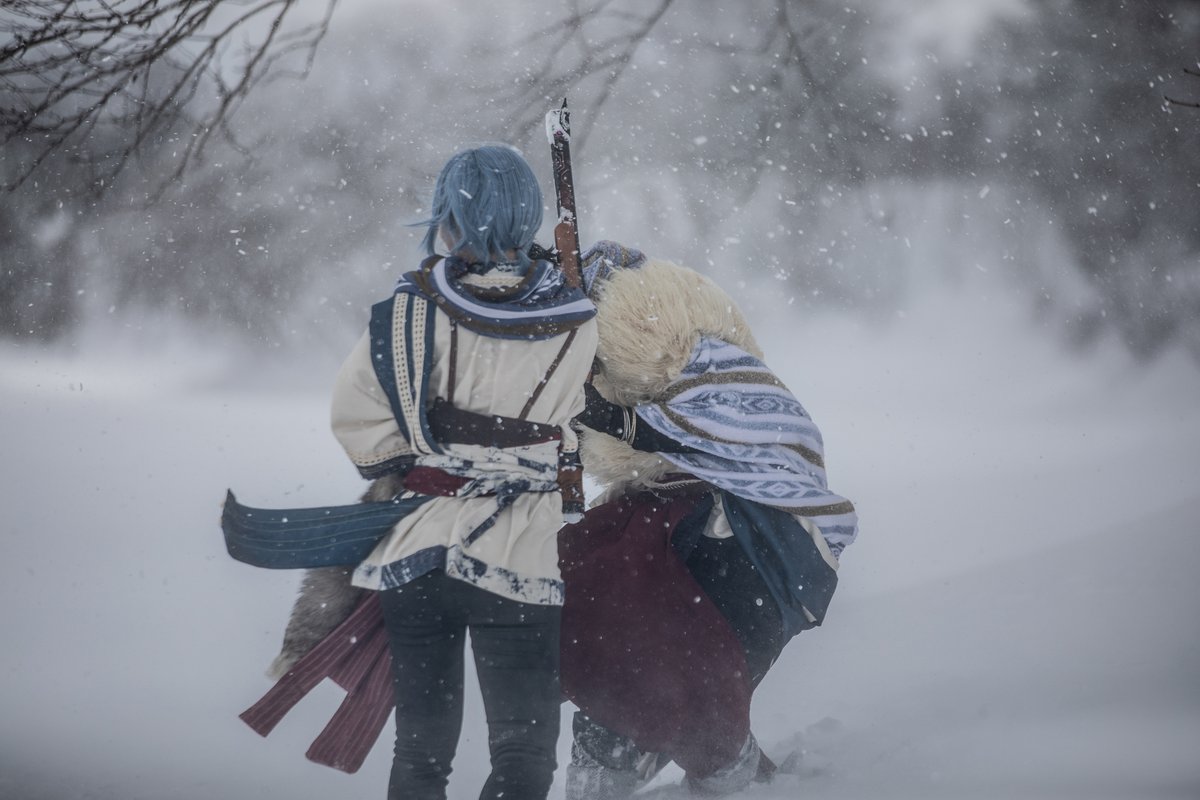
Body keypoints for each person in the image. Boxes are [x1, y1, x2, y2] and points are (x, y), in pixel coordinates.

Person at [223, 145, 598, 800]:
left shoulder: (407, 312)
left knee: (423, 751)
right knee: (524, 751)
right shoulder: (580, 320)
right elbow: (590, 423)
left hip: (417, 556)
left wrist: (419, 464)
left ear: (451, 216)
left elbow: (358, 419)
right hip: (523, 559)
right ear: (526, 214)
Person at [556, 242, 858, 798]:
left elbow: (706, 428)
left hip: (757, 545)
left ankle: (730, 768)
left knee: (694, 672)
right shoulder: (637, 510)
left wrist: (597, 413)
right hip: (683, 540)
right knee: (619, 639)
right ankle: (636, 762)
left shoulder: (714, 368)